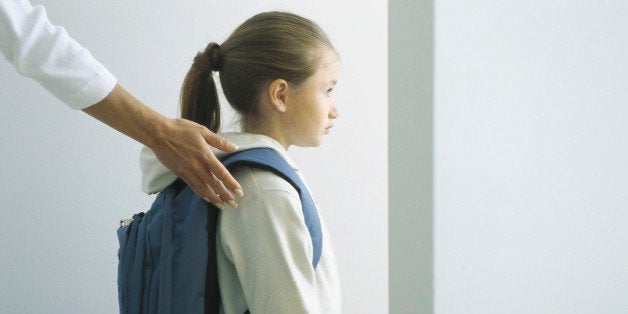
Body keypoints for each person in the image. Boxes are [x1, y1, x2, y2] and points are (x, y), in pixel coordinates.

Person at [140, 11, 341, 313]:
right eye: (327, 90)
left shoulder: (245, 175)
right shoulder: (264, 190)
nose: (335, 109)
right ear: (280, 95)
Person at [0, 1, 242, 208]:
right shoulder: (262, 185)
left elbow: (29, 36)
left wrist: (158, 133)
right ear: (279, 93)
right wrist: (158, 132)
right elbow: (30, 37)